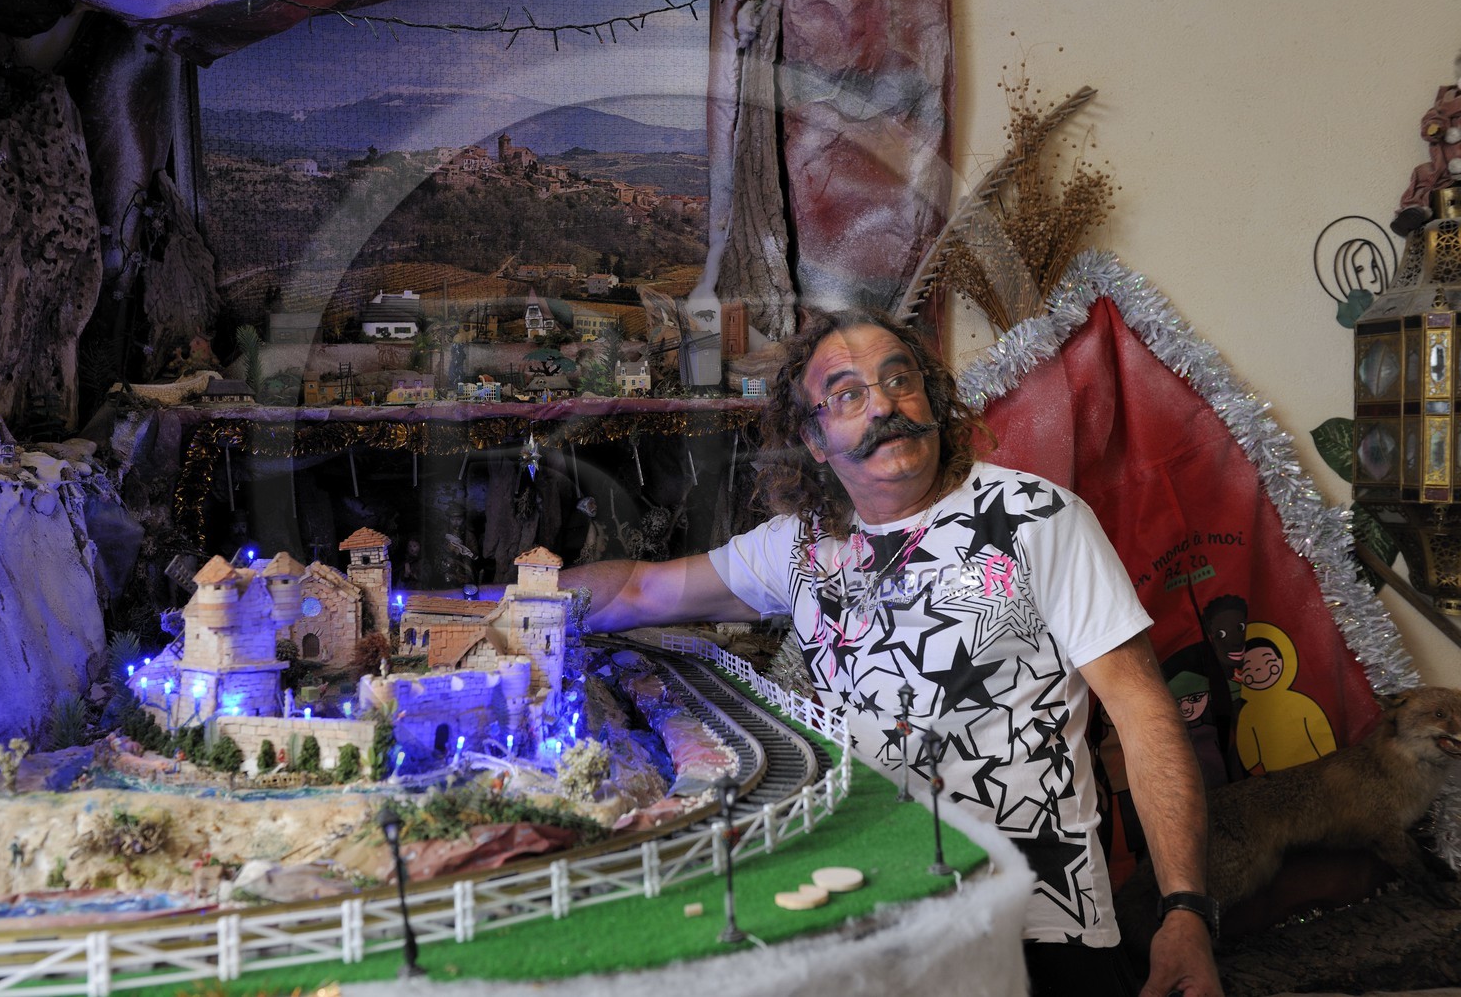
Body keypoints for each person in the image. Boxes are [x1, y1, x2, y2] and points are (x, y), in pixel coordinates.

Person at [482, 308, 1220, 997]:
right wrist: (470, 605)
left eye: (900, 379)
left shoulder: (1037, 519)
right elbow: (638, 592)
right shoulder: (801, 545)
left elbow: (1144, 715)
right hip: (874, 909)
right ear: (814, 440)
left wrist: (1185, 909)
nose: (883, 405)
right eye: (846, 395)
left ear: (932, 399)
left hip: (1036, 918)